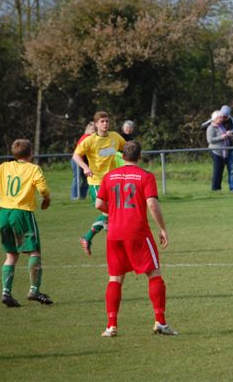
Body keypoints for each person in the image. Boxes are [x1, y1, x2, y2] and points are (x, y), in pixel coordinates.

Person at [96, 140, 178, 336]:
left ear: (122, 156)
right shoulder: (145, 176)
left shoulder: (109, 176)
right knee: (154, 275)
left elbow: (99, 203)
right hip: (138, 232)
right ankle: (160, 322)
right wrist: (163, 229)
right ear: (140, 156)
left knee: (115, 278)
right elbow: (152, 204)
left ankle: (111, 326)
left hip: (114, 233)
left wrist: (115, 213)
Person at [0, 139, 53, 307]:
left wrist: (1, 193)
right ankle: (34, 290)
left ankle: (6, 293)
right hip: (22, 213)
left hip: (4, 214)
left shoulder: (5, 166)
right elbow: (43, 190)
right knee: (34, 252)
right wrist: (46, 200)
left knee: (11, 255)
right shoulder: (33, 168)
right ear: (31, 154)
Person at [73, 111, 126, 256]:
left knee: (111, 214)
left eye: (107, 121)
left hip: (114, 181)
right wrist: (85, 167)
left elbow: (126, 148)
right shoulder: (90, 140)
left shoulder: (115, 137)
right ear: (96, 124)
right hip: (97, 182)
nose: (105, 124)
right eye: (102, 121)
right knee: (110, 212)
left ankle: (88, 238)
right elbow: (76, 155)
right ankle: (115, 240)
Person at [202, 105, 233, 190]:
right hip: (217, 152)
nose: (222, 119)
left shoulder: (229, 122)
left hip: (225, 151)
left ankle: (231, 188)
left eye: (224, 117)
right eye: (220, 117)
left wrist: (231, 135)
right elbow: (210, 139)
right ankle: (215, 189)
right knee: (217, 171)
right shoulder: (211, 127)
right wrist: (222, 137)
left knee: (227, 171)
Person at [70, 121, 96, 200]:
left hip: (84, 161)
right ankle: (74, 197)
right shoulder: (86, 137)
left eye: (95, 129)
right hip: (77, 160)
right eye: (92, 129)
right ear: (88, 129)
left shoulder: (92, 138)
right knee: (77, 178)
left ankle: (82, 197)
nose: (93, 131)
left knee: (86, 179)